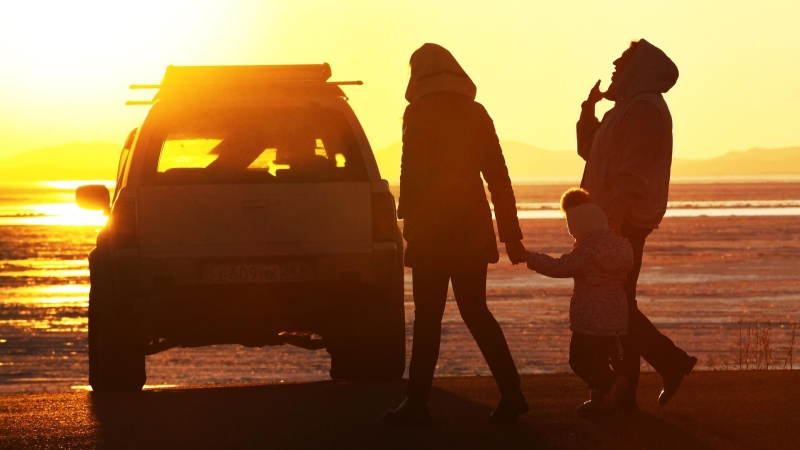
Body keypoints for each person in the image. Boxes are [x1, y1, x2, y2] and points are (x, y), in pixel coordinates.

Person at [382, 43, 529, 425]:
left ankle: (417, 403)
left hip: (432, 230)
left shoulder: (417, 112)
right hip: (470, 228)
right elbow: (498, 176)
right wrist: (510, 234)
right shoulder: (475, 112)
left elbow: (409, 172)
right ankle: (512, 394)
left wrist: (407, 219)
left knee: (427, 318)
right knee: (476, 312)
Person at [576, 39, 697, 409]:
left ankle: (661, 367)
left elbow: (633, 173)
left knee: (615, 308)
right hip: (611, 223)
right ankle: (628, 388)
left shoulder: (643, 109)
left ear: (639, 67)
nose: (614, 64)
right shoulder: (626, 108)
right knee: (617, 306)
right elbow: (590, 151)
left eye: (623, 60)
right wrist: (588, 109)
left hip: (622, 226)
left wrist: (613, 224)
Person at [515, 188, 634, 417]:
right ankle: (599, 400)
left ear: (578, 225)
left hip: (589, 318)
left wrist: (529, 257)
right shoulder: (620, 246)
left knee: (579, 361)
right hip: (615, 317)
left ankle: (611, 383)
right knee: (600, 359)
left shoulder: (587, 252)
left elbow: (558, 267)